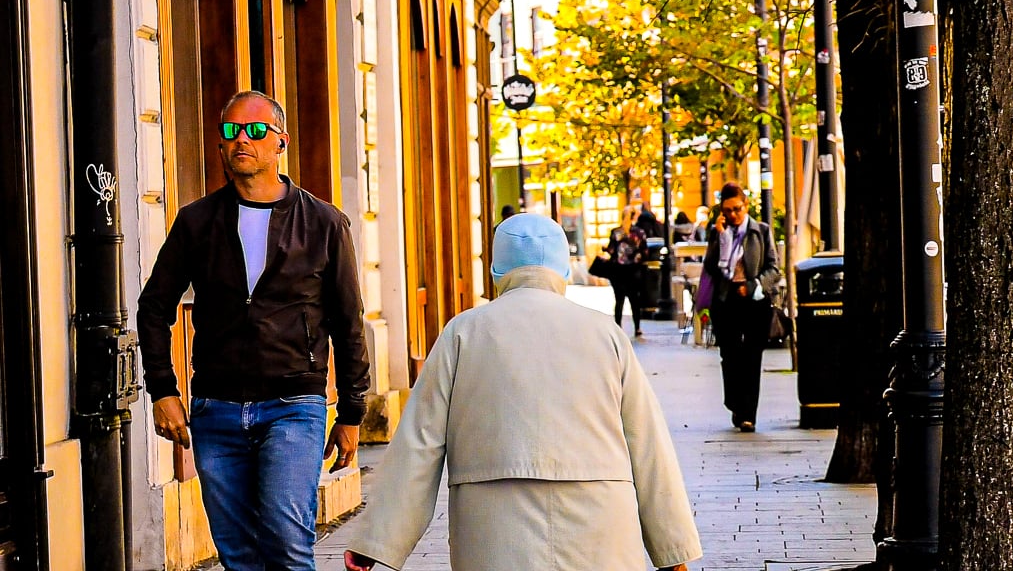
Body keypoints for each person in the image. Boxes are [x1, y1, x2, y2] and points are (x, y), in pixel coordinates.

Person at [342, 213, 702, 571]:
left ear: (498, 269)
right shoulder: (605, 333)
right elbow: (648, 444)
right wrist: (674, 551)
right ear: (561, 267)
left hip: (494, 524)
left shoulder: (463, 333)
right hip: (599, 521)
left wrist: (377, 543)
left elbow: (419, 444)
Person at [137, 90, 370, 570]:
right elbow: (153, 306)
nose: (243, 139)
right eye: (231, 130)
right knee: (238, 556)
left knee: (287, 543)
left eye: (256, 130)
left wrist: (351, 412)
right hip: (215, 410)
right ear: (221, 144)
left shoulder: (324, 223)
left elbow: (349, 322)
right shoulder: (197, 222)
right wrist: (163, 390)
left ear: (280, 142)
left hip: (293, 406)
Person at [702, 182, 780, 433]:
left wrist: (754, 283)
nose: (732, 215)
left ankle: (749, 415)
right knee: (730, 356)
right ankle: (735, 402)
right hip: (726, 300)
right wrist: (720, 239)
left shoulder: (761, 231)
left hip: (755, 300)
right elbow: (711, 268)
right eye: (726, 210)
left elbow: (774, 269)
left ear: (745, 205)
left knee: (752, 357)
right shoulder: (718, 232)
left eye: (736, 209)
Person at [606, 206, 648, 337]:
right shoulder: (639, 233)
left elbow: (611, 250)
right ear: (634, 217)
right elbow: (645, 251)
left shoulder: (616, 232)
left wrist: (606, 250)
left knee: (619, 300)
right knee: (634, 301)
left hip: (618, 271)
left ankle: (618, 327)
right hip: (633, 271)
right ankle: (637, 328)